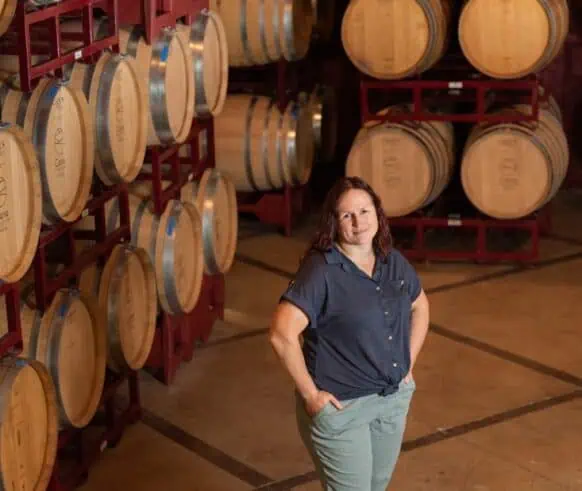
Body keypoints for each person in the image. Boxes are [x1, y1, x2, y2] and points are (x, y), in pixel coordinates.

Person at [268, 176, 430, 491]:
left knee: (377, 485)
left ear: (377, 214)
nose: (358, 222)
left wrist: (407, 361)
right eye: (347, 215)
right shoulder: (322, 271)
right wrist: (311, 396)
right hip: (345, 408)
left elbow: (421, 306)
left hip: (392, 399)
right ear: (334, 222)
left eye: (365, 211)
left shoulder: (390, 259)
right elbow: (281, 334)